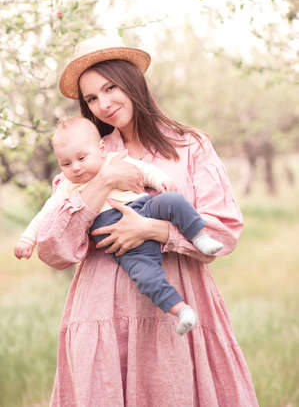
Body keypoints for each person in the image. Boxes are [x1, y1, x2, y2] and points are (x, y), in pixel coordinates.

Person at [36, 35, 259, 406]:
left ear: (132, 82)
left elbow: (224, 230)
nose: (103, 104)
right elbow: (52, 248)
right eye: (91, 98)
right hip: (103, 315)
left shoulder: (190, 147)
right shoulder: (86, 161)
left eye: (110, 88)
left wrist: (154, 230)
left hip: (178, 308)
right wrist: (105, 179)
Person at [14, 116, 224, 336]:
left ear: (101, 149)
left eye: (81, 158)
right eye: (66, 163)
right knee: (146, 277)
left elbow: (144, 171)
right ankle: (181, 310)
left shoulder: (116, 161)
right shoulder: (67, 186)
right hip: (120, 243)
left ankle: (200, 237)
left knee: (173, 201)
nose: (75, 168)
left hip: (146, 208)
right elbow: (45, 214)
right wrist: (27, 239)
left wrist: (162, 181)